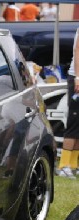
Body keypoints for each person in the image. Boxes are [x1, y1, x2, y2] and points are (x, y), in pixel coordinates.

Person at [57, 28, 79, 178]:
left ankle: (73, 165)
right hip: (77, 79)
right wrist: (78, 76)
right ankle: (63, 165)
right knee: (74, 121)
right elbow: (78, 50)